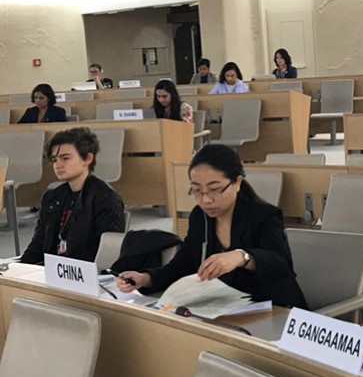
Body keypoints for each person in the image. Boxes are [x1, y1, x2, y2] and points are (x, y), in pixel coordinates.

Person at [116, 144, 307, 307]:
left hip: (274, 307)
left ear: (237, 183)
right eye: (197, 191)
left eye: (215, 190)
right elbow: (182, 265)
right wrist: (146, 278)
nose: (206, 200)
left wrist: (242, 257)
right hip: (225, 308)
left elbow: (281, 263)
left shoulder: (264, 215)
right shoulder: (200, 217)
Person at [20, 127, 125, 264]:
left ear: (87, 158)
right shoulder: (52, 197)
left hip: (83, 271)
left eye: (65, 158)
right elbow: (38, 243)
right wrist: (21, 267)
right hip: (50, 269)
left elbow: (105, 253)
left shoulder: (105, 198)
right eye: (54, 160)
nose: (58, 165)